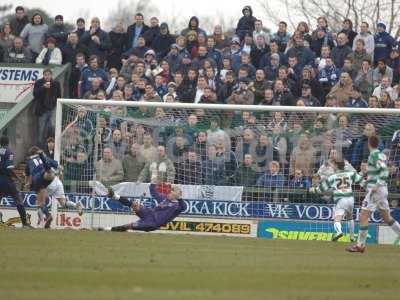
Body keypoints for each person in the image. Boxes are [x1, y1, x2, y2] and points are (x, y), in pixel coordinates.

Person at [346, 136, 400, 252]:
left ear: (369, 144)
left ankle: (360, 245)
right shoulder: (380, 154)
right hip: (382, 190)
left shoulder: (374, 155)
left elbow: (384, 171)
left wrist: (376, 185)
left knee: (363, 216)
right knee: (387, 217)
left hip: (376, 191)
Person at [25, 147, 82, 228]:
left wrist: (28, 184)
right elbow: (60, 166)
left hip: (42, 181)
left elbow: (29, 176)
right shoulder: (46, 157)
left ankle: (41, 223)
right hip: (56, 181)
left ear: (30, 154)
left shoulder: (29, 161)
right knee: (63, 203)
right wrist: (60, 170)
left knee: (40, 203)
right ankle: (76, 205)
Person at [310, 160, 362, 242]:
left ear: (336, 166)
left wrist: (313, 190)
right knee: (350, 216)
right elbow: (361, 180)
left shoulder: (333, 176)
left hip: (341, 199)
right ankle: (352, 237)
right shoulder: (350, 173)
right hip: (350, 198)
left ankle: (339, 232)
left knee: (337, 218)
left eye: (333, 165)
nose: (332, 166)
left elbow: (321, 189)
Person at [101, 183, 184, 232]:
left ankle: (108, 229)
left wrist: (180, 198)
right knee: (135, 205)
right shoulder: (164, 198)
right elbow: (153, 191)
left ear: (176, 196)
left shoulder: (176, 207)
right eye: (170, 192)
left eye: (171, 192)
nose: (169, 193)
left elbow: (183, 207)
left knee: (129, 226)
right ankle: (114, 196)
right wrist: (153, 181)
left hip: (153, 223)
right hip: (149, 213)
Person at [0, 136, 32, 228]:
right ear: (8, 143)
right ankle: (25, 223)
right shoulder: (9, 152)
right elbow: (9, 168)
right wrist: (18, 178)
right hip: (6, 180)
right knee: (17, 199)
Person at [33, 68, 61, 148]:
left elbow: (59, 96)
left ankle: (51, 147)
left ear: (51, 75)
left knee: (52, 128)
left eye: (49, 75)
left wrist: (55, 105)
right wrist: (43, 87)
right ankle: (39, 148)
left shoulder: (56, 83)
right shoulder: (39, 83)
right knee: (41, 130)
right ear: (43, 75)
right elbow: (35, 94)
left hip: (52, 109)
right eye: (45, 75)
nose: (47, 76)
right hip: (42, 110)